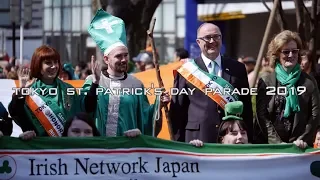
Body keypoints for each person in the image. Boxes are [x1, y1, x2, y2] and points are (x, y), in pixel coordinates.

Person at [84, 9, 170, 137]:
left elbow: (145, 116)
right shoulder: (93, 80)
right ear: (106, 59)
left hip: (127, 148)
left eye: (126, 55)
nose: (124, 60)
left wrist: (159, 104)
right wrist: (95, 84)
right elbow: (85, 110)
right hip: (99, 147)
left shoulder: (136, 84)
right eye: (119, 56)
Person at [170, 22, 253, 144]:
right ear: (198, 42)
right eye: (207, 37)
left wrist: (249, 138)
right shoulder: (186, 70)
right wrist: (178, 143)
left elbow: (246, 107)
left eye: (216, 36)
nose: (212, 41)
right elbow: (177, 111)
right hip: (197, 138)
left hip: (231, 138)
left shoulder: (238, 68)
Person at [8, 45, 100, 137]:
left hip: (67, 146)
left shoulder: (68, 88)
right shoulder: (29, 89)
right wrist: (22, 91)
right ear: (38, 66)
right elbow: (16, 112)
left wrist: (95, 83)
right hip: (40, 146)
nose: (54, 66)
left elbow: (86, 108)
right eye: (48, 63)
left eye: (56, 62)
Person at [256, 30, 320, 146]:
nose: (291, 55)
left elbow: (315, 115)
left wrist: (302, 139)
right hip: (271, 147)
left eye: (294, 51)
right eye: (286, 52)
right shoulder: (266, 81)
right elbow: (262, 115)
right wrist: (277, 143)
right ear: (277, 54)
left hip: (300, 147)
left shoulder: (309, 82)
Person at [190, 101, 308, 149]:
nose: (240, 137)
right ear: (222, 139)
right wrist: (194, 151)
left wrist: (295, 149)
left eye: (243, 132)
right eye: (234, 133)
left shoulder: (258, 157)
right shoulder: (212, 159)